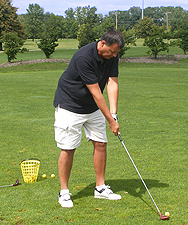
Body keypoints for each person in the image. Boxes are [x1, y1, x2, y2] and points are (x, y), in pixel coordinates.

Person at [53, 28, 125, 208]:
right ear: (102, 43)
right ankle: (64, 192)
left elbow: (112, 82)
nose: (114, 55)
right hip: (71, 105)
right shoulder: (83, 57)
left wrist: (114, 113)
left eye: (116, 52)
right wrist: (110, 120)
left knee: (101, 143)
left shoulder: (112, 56)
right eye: (112, 51)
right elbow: (96, 93)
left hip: (93, 108)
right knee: (68, 147)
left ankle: (100, 188)